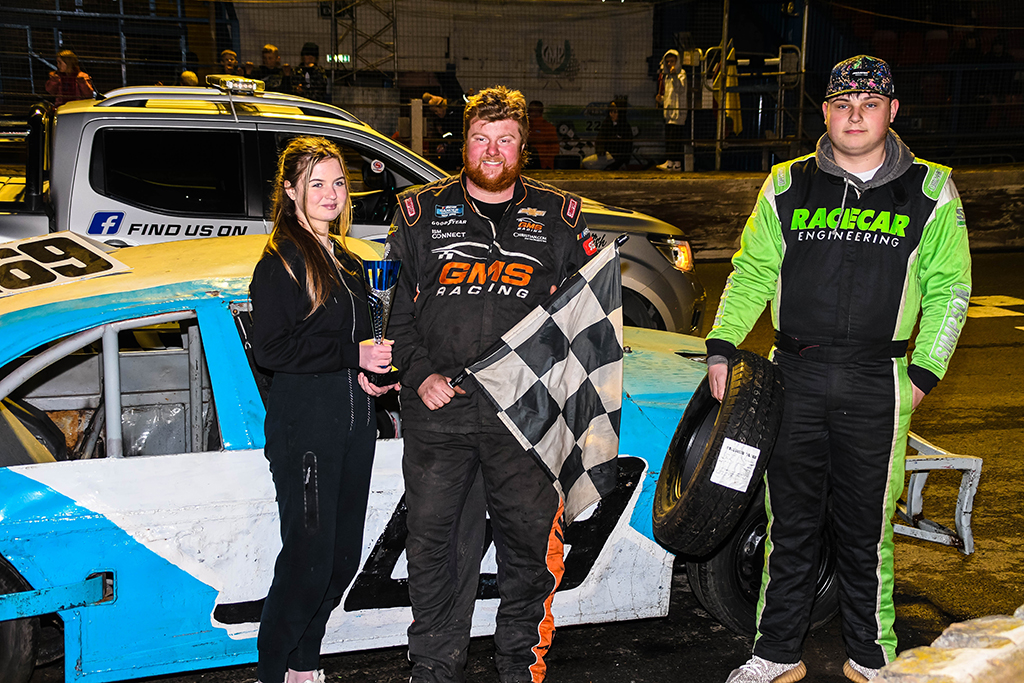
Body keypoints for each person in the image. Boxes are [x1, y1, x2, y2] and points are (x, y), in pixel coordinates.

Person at [710, 55, 971, 683]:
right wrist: (722, 344)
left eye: (869, 104)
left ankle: (872, 657)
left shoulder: (931, 189)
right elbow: (753, 271)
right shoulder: (786, 183)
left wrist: (922, 374)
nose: (855, 116)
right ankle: (776, 654)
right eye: (842, 104)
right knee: (789, 526)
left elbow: (951, 290)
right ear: (825, 111)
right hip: (793, 375)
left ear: (891, 111)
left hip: (877, 380)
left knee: (866, 531)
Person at [385, 86, 597, 683]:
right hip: (440, 412)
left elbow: (586, 317)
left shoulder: (560, 216)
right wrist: (419, 374)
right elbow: (393, 314)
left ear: (523, 146)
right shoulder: (419, 214)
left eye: (506, 139)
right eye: (481, 138)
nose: (493, 151)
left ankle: (519, 669)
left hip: (525, 416)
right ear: (464, 144)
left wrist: (564, 399)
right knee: (434, 549)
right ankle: (434, 668)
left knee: (528, 551)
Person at [249, 136, 398, 683]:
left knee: (340, 561)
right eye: (316, 183)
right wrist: (350, 354)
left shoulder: (349, 260)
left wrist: (372, 374)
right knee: (307, 564)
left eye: (338, 182)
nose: (331, 194)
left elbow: (350, 343)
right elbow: (271, 350)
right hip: (305, 431)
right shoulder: (280, 262)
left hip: (354, 427)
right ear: (290, 191)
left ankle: (303, 667)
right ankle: (272, 673)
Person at [655, 49, 687, 172]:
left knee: (675, 138)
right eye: (667, 62)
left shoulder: (681, 74)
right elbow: (669, 95)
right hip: (669, 112)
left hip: (678, 112)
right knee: (670, 138)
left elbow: (680, 90)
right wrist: (661, 99)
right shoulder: (667, 76)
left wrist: (674, 77)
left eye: (672, 61)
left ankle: (674, 163)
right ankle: (673, 163)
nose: (669, 64)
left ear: (677, 61)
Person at [421, 92, 462, 171]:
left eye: (436, 111)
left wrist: (443, 135)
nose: (436, 114)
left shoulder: (454, 115)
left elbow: (454, 133)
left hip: (456, 147)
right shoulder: (440, 120)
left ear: (442, 107)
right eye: (434, 112)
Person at [596, 99, 633, 170]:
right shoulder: (606, 123)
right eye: (610, 111)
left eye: (615, 112)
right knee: (587, 163)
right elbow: (600, 139)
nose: (612, 114)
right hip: (606, 156)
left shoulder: (625, 127)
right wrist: (601, 150)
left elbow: (627, 149)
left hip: (618, 159)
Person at [526, 100, 559, 170]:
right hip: (530, 163)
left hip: (543, 165)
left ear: (539, 112)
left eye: (533, 111)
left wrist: (546, 163)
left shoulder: (548, 128)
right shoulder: (525, 126)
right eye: (530, 110)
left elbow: (554, 148)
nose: (530, 113)